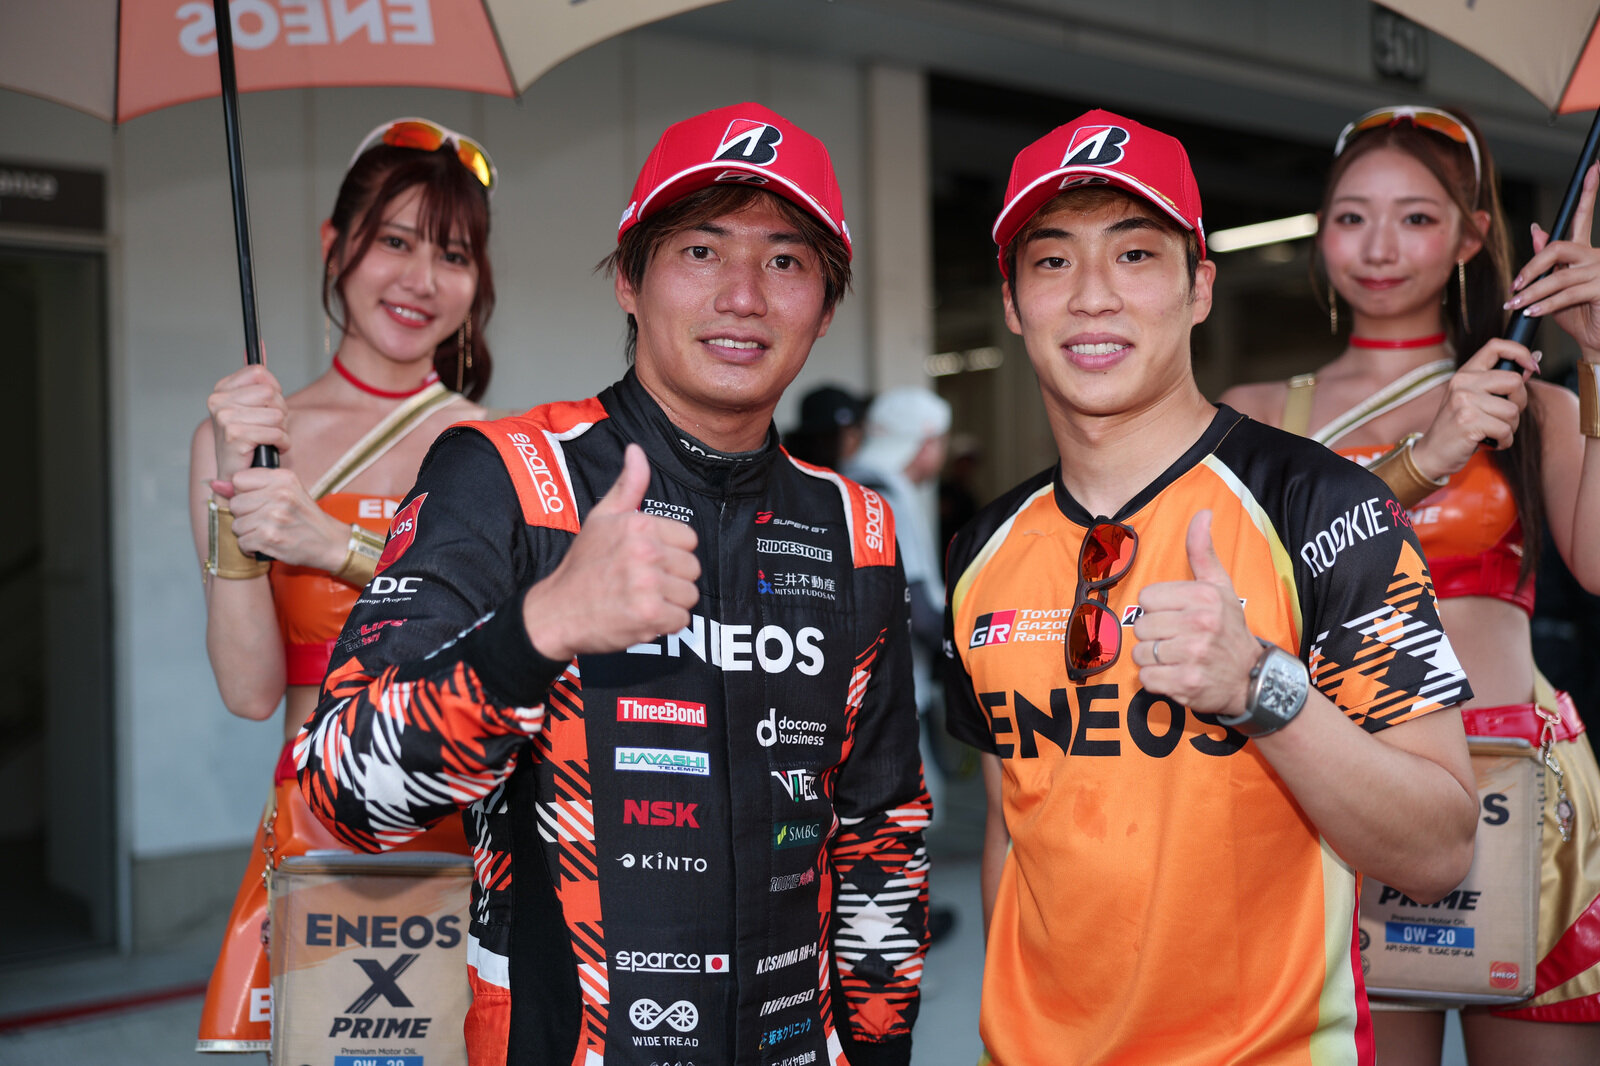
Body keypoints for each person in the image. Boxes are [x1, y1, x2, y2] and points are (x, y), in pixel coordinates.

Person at [295, 102, 930, 1066]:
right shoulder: (506, 475)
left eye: (786, 261)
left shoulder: (858, 528)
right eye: (702, 251)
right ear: (629, 281)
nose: (743, 296)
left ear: (826, 306)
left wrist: (881, 1052)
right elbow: (344, 789)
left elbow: (880, 835)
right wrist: (541, 628)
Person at [942, 109, 1479, 1064]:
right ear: (1014, 303)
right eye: (1053, 261)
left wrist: (1261, 687)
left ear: (1200, 288)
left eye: (1135, 255)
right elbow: (1011, 835)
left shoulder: (1323, 506)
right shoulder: (983, 548)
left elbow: (1438, 850)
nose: (1093, 296)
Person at [1222, 104, 1600, 1063]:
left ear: (1474, 236)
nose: (1379, 247)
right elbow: (1255, 590)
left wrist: (1599, 356)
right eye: (1352, 217)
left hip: (1518, 786)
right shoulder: (1253, 418)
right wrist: (1426, 460)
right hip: (1344, 789)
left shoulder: (1530, 403)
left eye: (1417, 217)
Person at [187, 117, 496, 1052]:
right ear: (336, 245)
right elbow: (249, 691)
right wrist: (238, 495)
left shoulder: (500, 448)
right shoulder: (247, 440)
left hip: (467, 832)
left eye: (452, 254)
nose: (421, 279)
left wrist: (332, 545)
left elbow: (516, 653)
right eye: (395, 242)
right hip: (310, 829)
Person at [784, 382, 867, 468]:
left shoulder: (860, 471)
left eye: (856, 428)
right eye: (833, 433)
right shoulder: (788, 469)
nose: (854, 438)